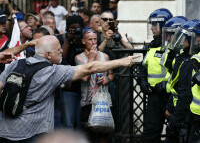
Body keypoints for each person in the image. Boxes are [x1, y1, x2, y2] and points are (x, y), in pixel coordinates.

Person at [0, 35, 138, 143]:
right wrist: (121, 62)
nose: (62, 51)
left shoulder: (17, 64)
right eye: (58, 49)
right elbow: (90, 68)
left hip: (5, 131)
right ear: (48, 54)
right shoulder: (52, 72)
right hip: (32, 133)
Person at [137, 8, 173, 143]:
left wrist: (165, 84)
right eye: (151, 25)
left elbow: (178, 71)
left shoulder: (173, 47)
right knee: (150, 133)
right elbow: (143, 68)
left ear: (163, 25)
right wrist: (142, 81)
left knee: (174, 132)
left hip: (169, 96)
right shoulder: (151, 47)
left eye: (154, 25)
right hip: (154, 96)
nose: (151, 28)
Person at [75, 29, 114, 143]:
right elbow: (84, 78)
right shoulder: (79, 58)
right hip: (87, 102)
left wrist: (107, 79)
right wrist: (91, 58)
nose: (93, 42)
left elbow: (111, 74)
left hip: (103, 102)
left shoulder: (105, 57)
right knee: (88, 135)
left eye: (95, 39)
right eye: (90, 40)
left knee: (103, 135)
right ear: (83, 41)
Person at [164, 19, 199, 143]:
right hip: (186, 114)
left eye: (185, 37)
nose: (181, 40)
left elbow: (185, 94)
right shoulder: (185, 58)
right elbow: (175, 86)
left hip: (187, 116)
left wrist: (177, 121)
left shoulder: (191, 62)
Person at [60, 14, 85, 129]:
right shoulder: (63, 39)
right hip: (68, 86)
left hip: (83, 85)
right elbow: (61, 58)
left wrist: (81, 41)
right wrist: (68, 40)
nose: (76, 31)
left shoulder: (85, 38)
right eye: (72, 29)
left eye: (78, 29)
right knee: (68, 122)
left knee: (80, 122)